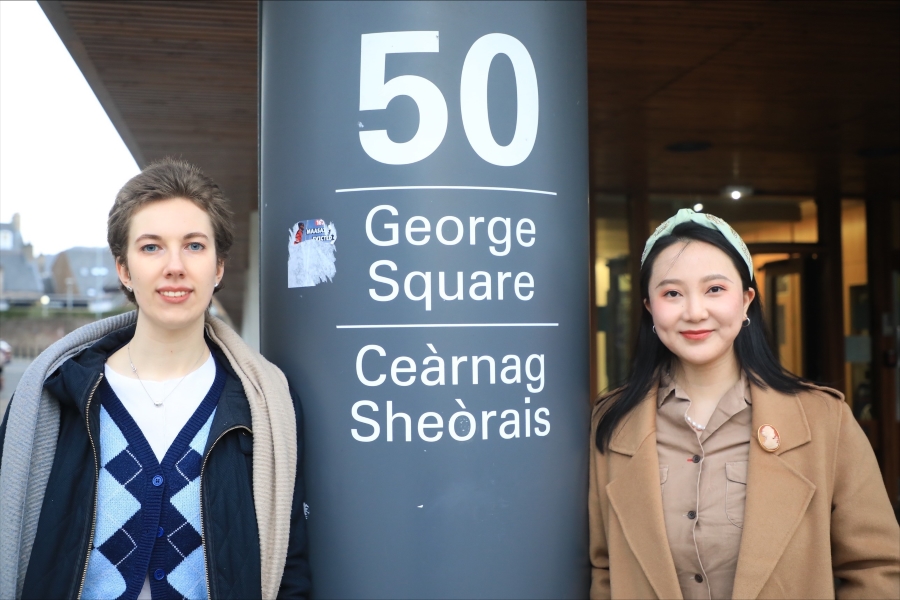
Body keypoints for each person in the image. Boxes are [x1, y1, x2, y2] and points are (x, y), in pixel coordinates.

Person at [0, 159, 310, 599]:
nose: (175, 266)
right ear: (124, 270)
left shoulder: (265, 405)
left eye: (195, 246)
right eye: (151, 247)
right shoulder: (55, 397)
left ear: (219, 267)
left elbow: (290, 567)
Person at [589, 209, 899, 599]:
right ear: (650, 306)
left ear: (747, 299)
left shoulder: (823, 420)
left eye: (714, 289)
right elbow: (604, 570)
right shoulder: (613, 423)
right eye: (672, 293)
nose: (695, 311)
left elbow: (876, 567)